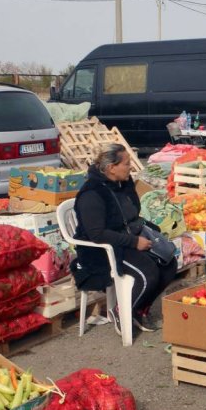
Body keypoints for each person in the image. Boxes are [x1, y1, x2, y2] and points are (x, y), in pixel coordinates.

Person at [71, 143, 177, 334]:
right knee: (149, 273)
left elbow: (132, 214)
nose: (131, 167)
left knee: (169, 262)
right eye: (126, 164)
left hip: (127, 237)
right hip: (101, 249)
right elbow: (97, 234)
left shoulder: (123, 184)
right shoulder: (92, 194)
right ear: (112, 168)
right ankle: (123, 311)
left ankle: (139, 309)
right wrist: (134, 242)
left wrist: (148, 233)